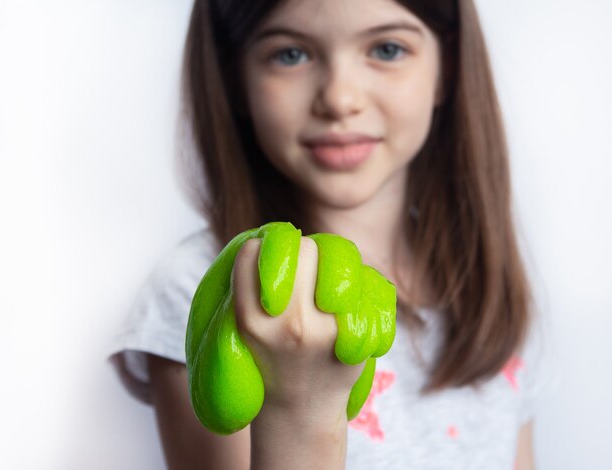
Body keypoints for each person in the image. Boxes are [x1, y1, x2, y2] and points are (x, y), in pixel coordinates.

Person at [109, 0, 551, 468]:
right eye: (291, 55)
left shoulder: (495, 293)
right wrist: (299, 404)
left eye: (387, 48)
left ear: (447, 67)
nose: (340, 99)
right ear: (235, 76)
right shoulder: (202, 288)